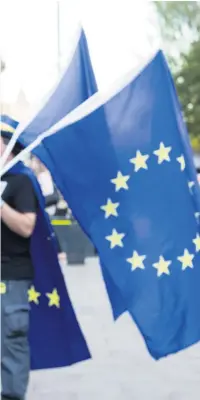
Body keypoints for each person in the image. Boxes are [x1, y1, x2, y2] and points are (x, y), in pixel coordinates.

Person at [1, 131, 38, 400]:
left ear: (9, 151)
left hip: (9, 277)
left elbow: (27, 227)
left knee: (11, 344)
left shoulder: (20, 182)